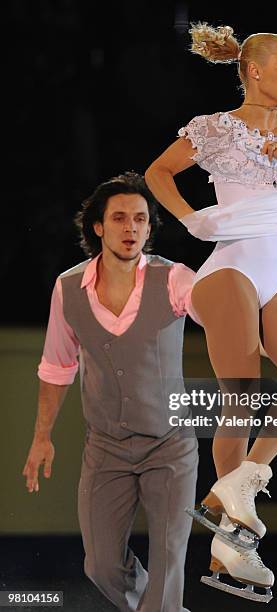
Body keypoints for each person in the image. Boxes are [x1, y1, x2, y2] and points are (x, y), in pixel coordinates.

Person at [145, 24, 277, 601]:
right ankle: (231, 526)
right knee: (240, 394)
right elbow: (157, 173)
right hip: (230, 271)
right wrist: (191, 219)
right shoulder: (215, 129)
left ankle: (231, 502)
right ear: (255, 71)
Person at [22, 171, 199, 612]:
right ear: (98, 226)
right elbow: (56, 365)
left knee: (169, 565)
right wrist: (41, 436)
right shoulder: (67, 288)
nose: (131, 228)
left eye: (140, 219)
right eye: (120, 218)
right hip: (105, 449)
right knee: (100, 566)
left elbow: (225, 320)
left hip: (170, 446)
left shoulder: (175, 279)